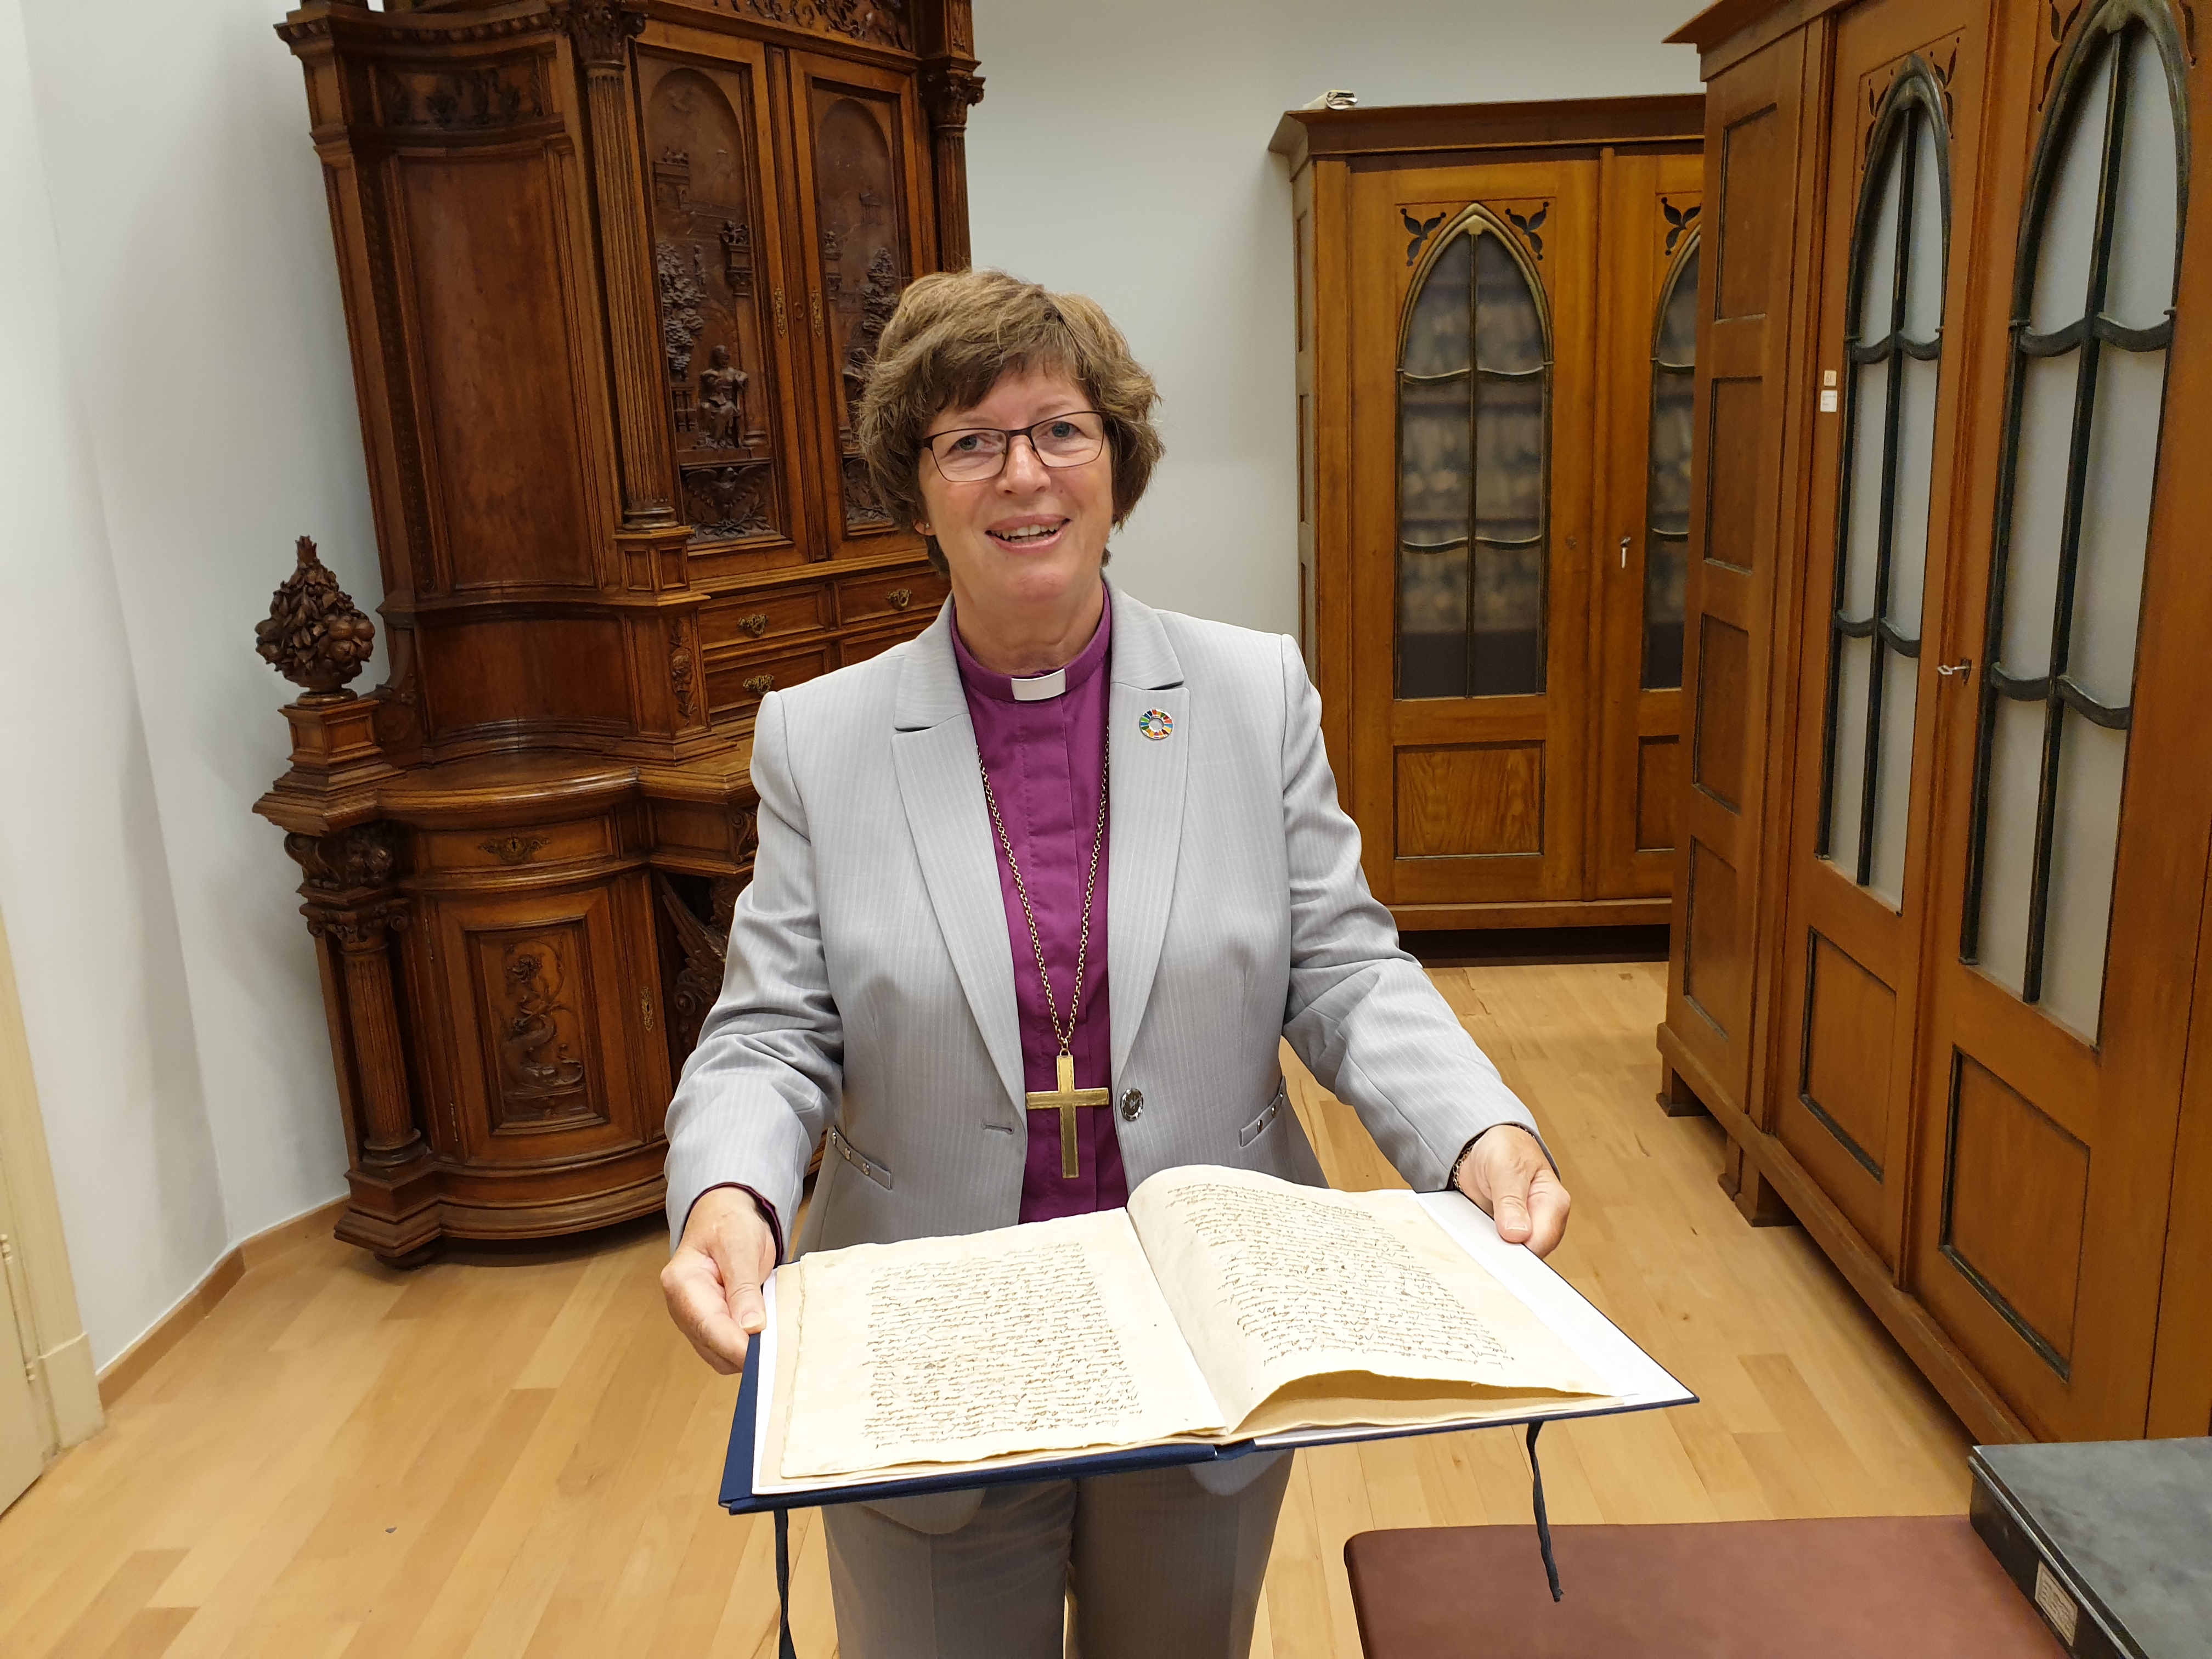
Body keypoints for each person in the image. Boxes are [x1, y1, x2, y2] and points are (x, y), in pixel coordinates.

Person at [659, 268, 1571, 1659]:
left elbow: (1338, 965)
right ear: (919, 490)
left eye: (1061, 430)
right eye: (970, 440)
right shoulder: (819, 739)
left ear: (1118, 465)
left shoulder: (1252, 694)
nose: (1023, 475)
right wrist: (728, 1194)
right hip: (940, 1337)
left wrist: (1481, 1132)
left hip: (1214, 1343)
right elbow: (773, 1030)